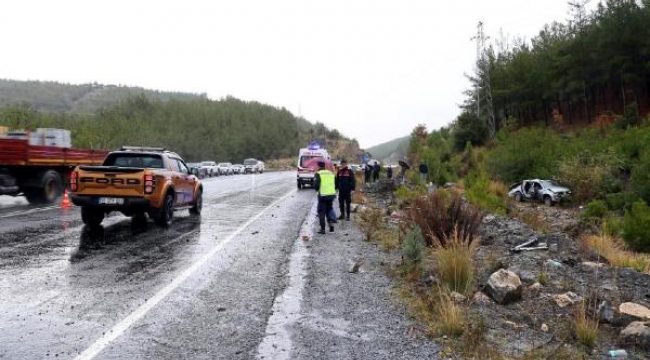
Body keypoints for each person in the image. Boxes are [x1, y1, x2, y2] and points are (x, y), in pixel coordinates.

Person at [314, 160, 337, 234]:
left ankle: (323, 229)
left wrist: (317, 190)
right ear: (324, 166)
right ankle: (331, 227)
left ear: (318, 166)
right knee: (329, 210)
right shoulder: (330, 173)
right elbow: (336, 183)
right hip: (331, 195)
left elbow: (316, 185)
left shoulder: (318, 173)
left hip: (323, 195)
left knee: (322, 212)